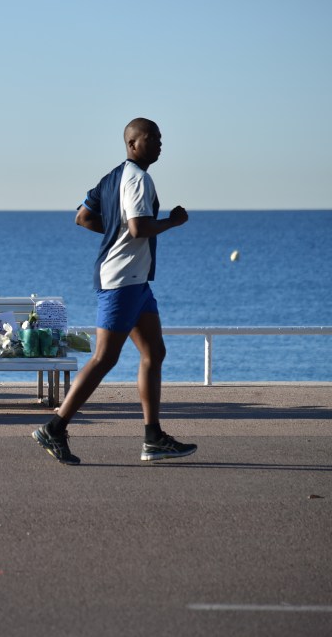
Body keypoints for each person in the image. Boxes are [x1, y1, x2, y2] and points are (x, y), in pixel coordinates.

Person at [32, 117, 197, 465]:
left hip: (137, 283)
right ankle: (55, 427)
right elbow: (138, 228)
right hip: (121, 282)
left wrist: (116, 231)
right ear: (133, 144)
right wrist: (173, 221)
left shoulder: (112, 178)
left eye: (161, 137)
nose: (161, 142)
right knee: (105, 357)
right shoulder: (137, 179)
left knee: (155, 352)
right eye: (154, 137)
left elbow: (83, 216)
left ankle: (153, 437)